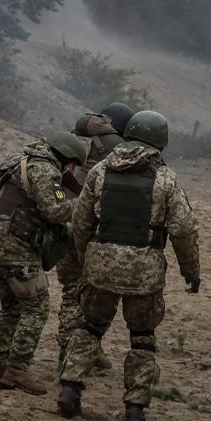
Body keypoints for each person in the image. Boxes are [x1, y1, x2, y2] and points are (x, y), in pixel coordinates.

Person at [57, 110, 201, 421]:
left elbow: (80, 224)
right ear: (160, 142)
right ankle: (134, 409)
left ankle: (69, 388)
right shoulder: (166, 179)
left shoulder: (99, 171)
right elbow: (183, 231)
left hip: (100, 266)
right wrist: (191, 272)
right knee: (142, 338)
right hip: (144, 273)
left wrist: (87, 259)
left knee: (89, 328)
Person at [0, 131, 89, 395]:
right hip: (18, 249)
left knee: (11, 307)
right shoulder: (44, 169)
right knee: (36, 306)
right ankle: (17, 370)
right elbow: (54, 211)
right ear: (65, 158)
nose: (71, 170)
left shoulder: (18, 160)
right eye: (72, 164)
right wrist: (82, 204)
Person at [55, 101, 137, 372]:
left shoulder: (82, 137)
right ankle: (70, 354)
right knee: (86, 293)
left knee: (77, 290)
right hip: (87, 227)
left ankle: (91, 350)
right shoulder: (117, 146)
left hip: (62, 217)